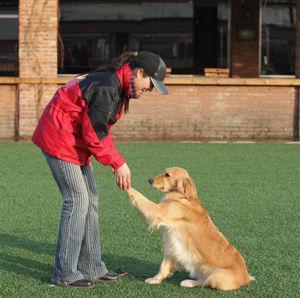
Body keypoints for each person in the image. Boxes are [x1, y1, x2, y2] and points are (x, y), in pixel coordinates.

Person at [32, 51, 168, 289]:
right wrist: (117, 163)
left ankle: (92, 266)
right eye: (150, 84)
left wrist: (116, 160)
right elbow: (94, 132)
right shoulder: (109, 86)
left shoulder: (116, 83)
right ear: (139, 73)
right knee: (77, 200)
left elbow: (99, 129)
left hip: (73, 141)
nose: (150, 90)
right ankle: (64, 273)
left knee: (91, 199)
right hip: (59, 139)